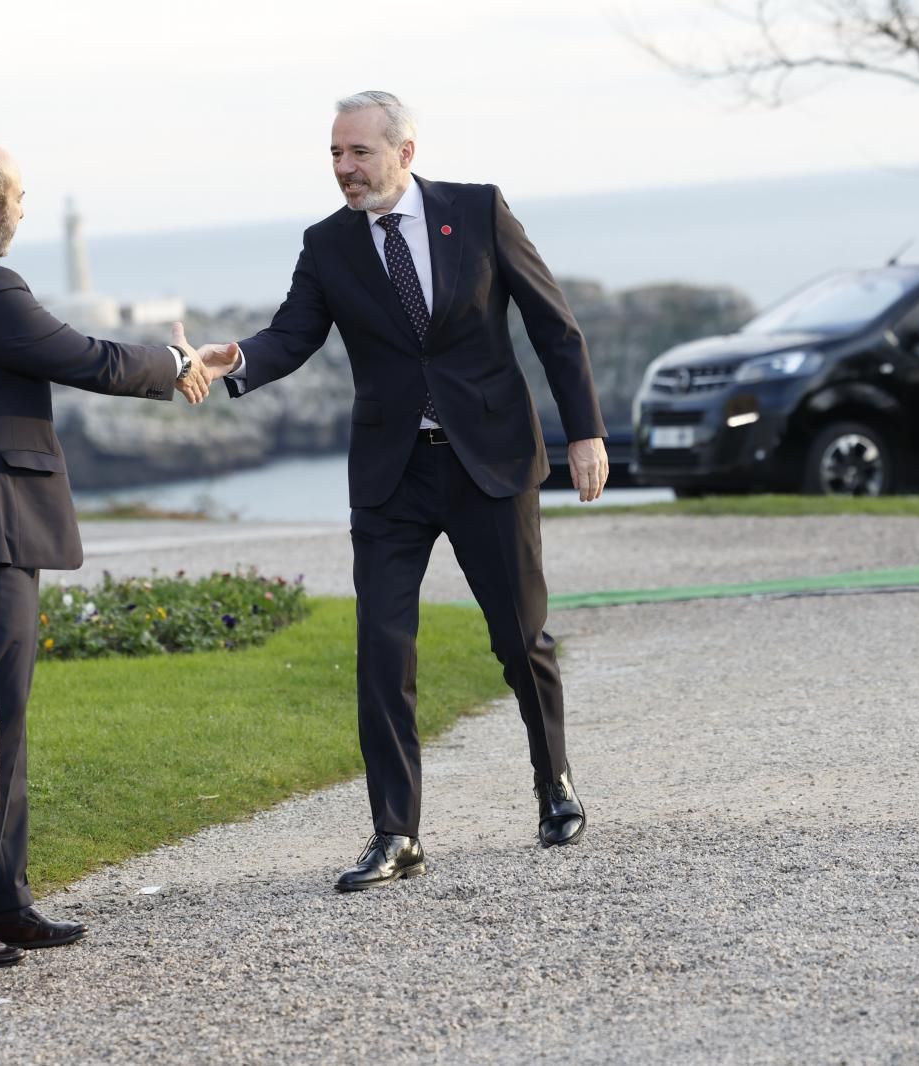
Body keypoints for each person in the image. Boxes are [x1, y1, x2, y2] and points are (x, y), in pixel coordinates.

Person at [203, 92, 611, 892]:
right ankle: (396, 832)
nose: (345, 169)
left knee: (519, 637)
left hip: (488, 460)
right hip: (392, 473)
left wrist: (587, 432)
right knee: (382, 653)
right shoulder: (328, 245)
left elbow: (552, 324)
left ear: (405, 152)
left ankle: (553, 782)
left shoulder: (478, 211)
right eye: (334, 155)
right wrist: (235, 361)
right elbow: (293, 334)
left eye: (358, 153)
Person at [0, 137, 234, 969]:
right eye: (17, 199)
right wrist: (179, 363)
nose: (21, 213)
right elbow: (82, 357)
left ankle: (3, 897)